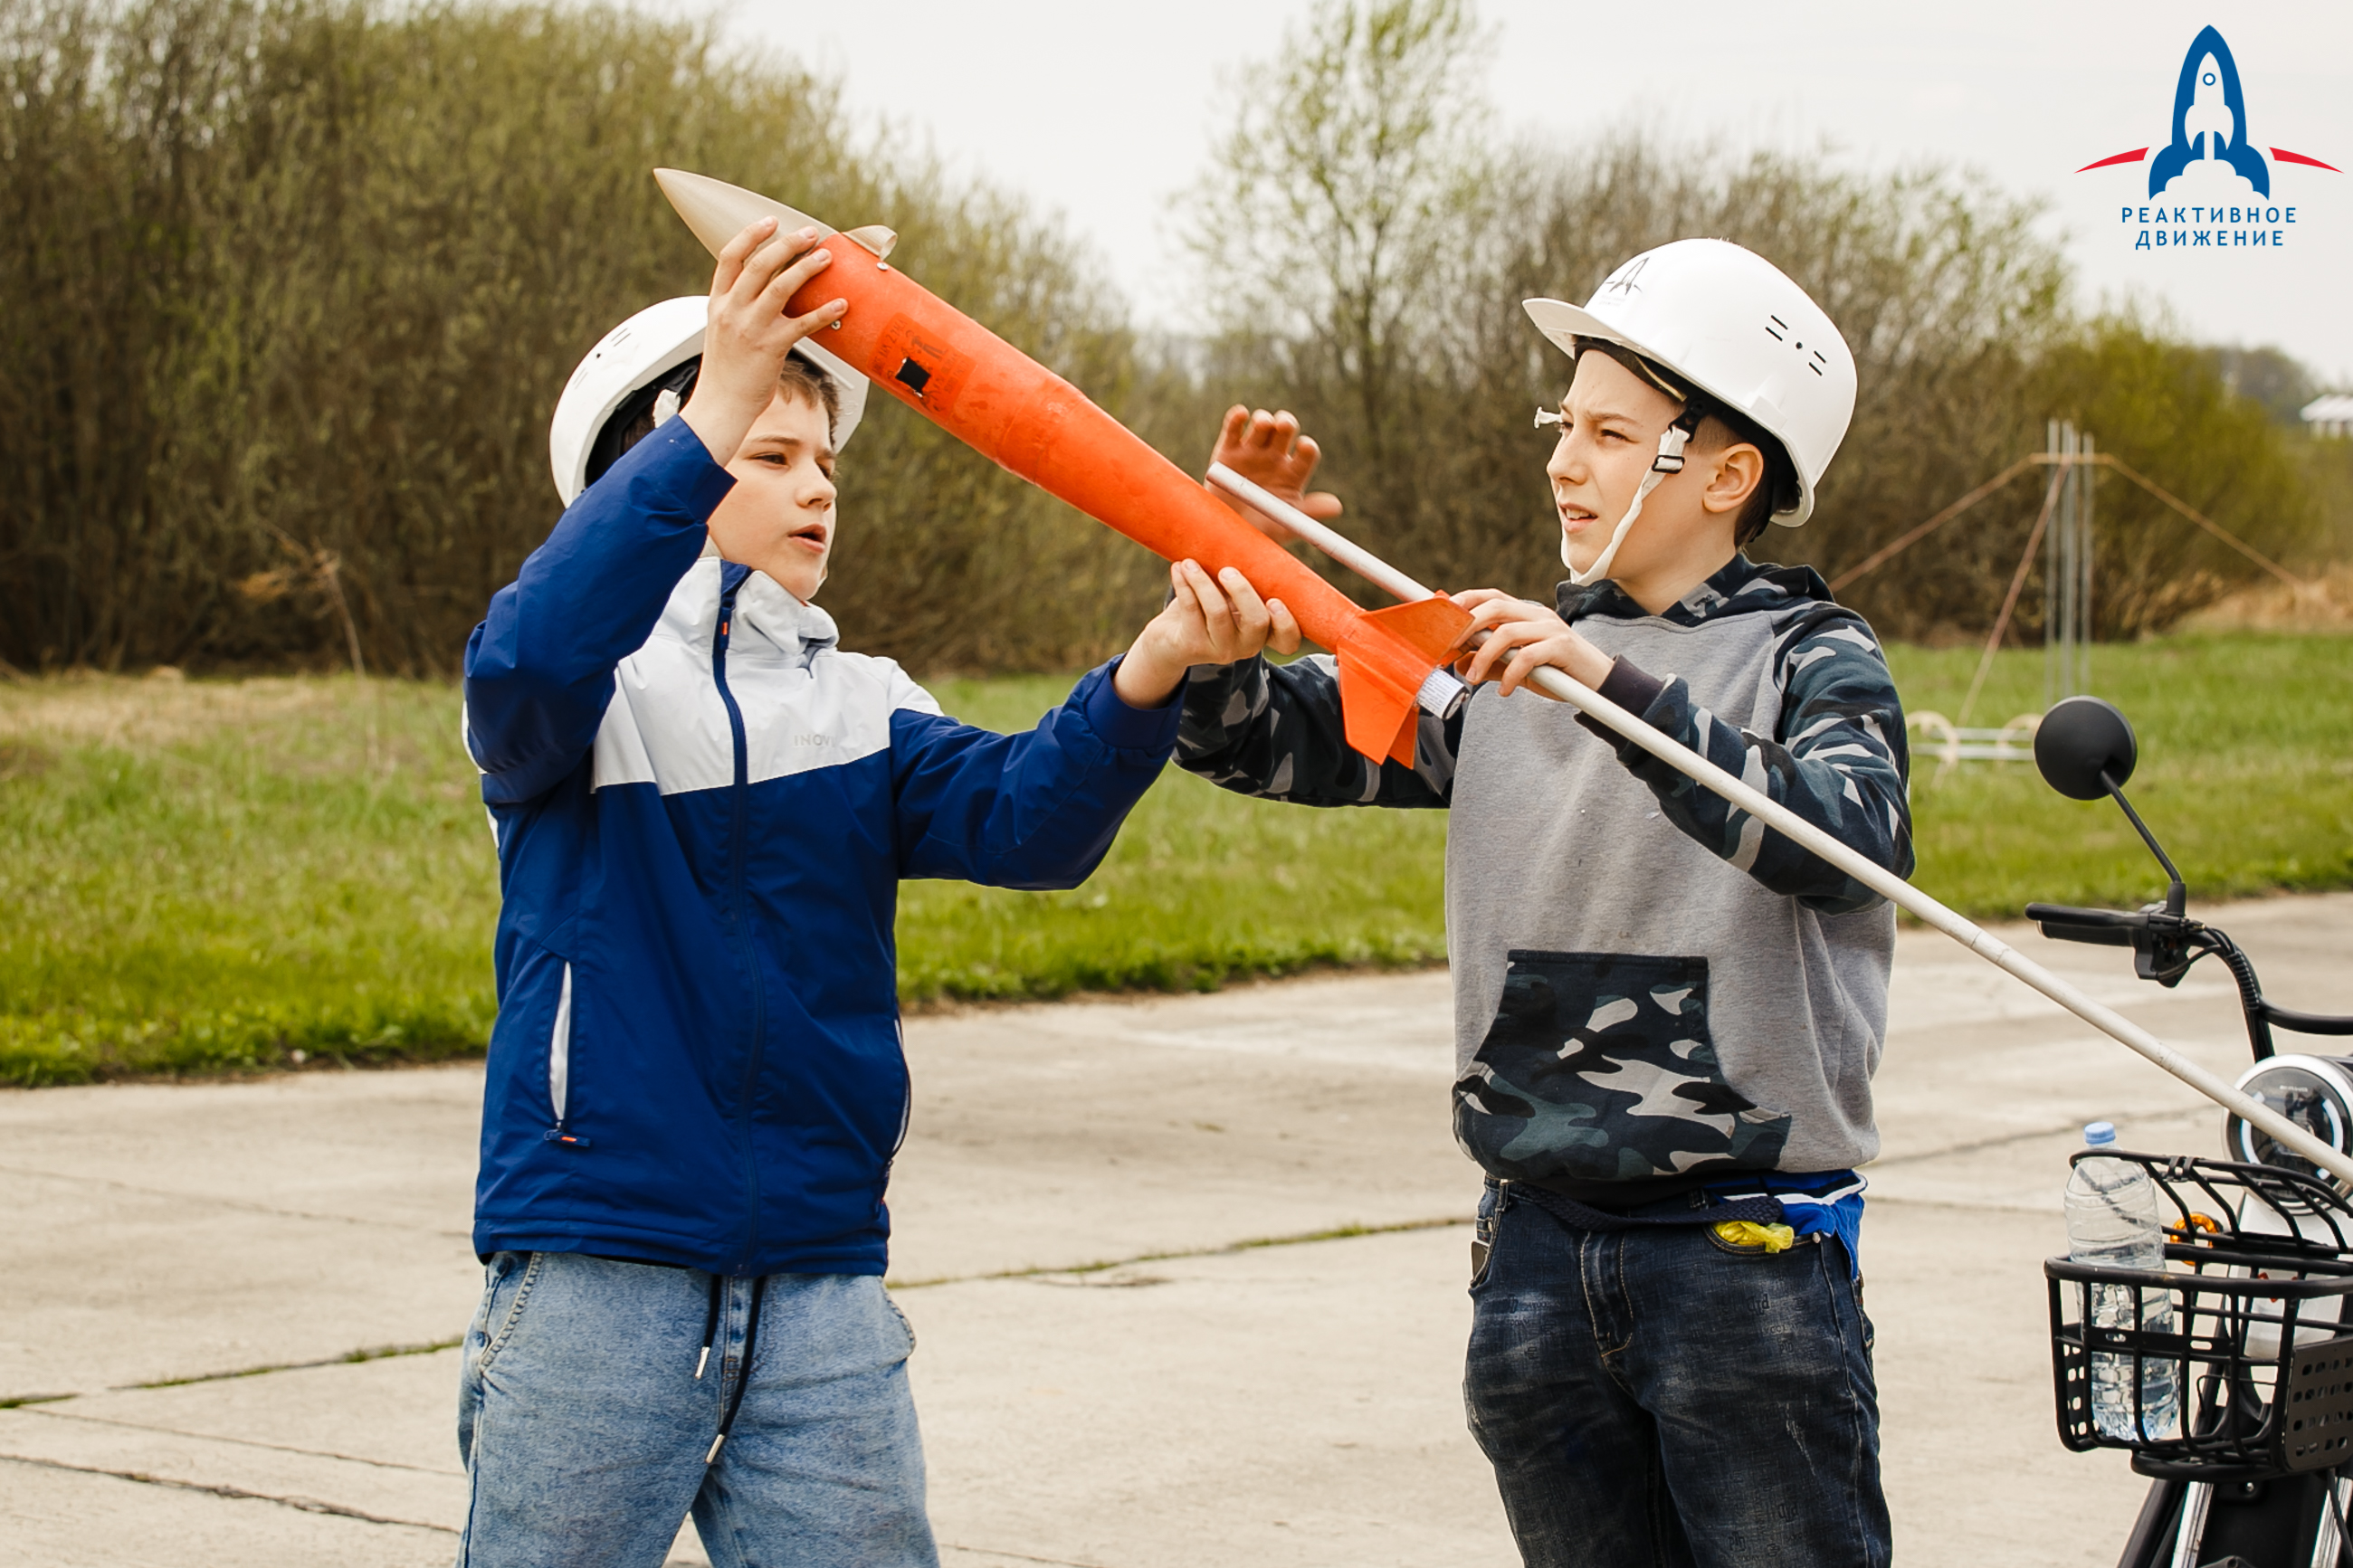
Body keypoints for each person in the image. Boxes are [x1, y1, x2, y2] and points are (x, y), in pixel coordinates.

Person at [455, 216, 1283, 1567]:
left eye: (826, 461)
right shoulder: (583, 698)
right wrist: (721, 389)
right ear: (648, 472)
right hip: (599, 1274)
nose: (817, 486)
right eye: (771, 453)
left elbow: (1033, 822)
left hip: (823, 1292)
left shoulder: (861, 704)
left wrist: (1157, 661)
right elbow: (527, 660)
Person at [1186, 238, 1910, 1567]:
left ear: (1729, 472)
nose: (1562, 463)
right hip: (1532, 1261)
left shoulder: (1813, 653)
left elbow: (1848, 839)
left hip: (1744, 1264)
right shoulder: (1500, 662)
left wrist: (1609, 681)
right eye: (1560, 425)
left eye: (1610, 433)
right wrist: (1218, 554)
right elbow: (1255, 738)